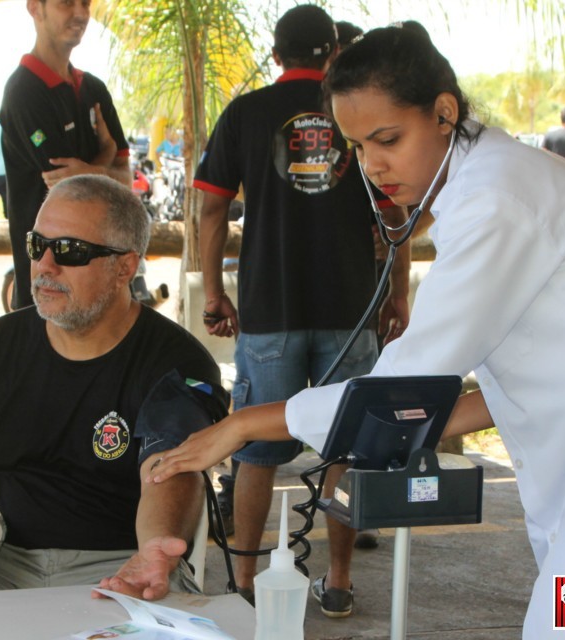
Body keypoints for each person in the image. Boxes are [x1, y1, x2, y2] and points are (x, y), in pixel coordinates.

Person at [150, 22, 565, 639]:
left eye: (388, 139)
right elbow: (511, 382)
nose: (373, 167)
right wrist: (420, 421)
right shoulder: (490, 187)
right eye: (357, 148)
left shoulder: (498, 198)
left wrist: (243, 423)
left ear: (445, 113)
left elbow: (403, 384)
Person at [0, 174, 229, 599]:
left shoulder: (175, 361)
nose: (45, 265)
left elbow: (169, 473)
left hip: (119, 566)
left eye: (69, 251)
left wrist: (156, 549)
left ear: (124, 267)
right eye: (36, 245)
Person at [192, 4, 410, 617]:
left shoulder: (245, 112)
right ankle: (338, 581)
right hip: (350, 307)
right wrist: (397, 293)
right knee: (347, 447)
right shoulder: (356, 112)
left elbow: (211, 209)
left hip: (270, 309)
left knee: (256, 449)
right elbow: (395, 213)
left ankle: (240, 585)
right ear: (333, 52)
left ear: (275, 53)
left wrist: (214, 291)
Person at [0, 0, 131, 311]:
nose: (80, 13)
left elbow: (126, 180)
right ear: (35, 8)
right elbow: (69, 190)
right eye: (65, 3)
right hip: (48, 283)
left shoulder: (94, 89)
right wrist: (105, 158)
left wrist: (95, 170)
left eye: (85, 3)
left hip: (102, 287)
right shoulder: (24, 92)